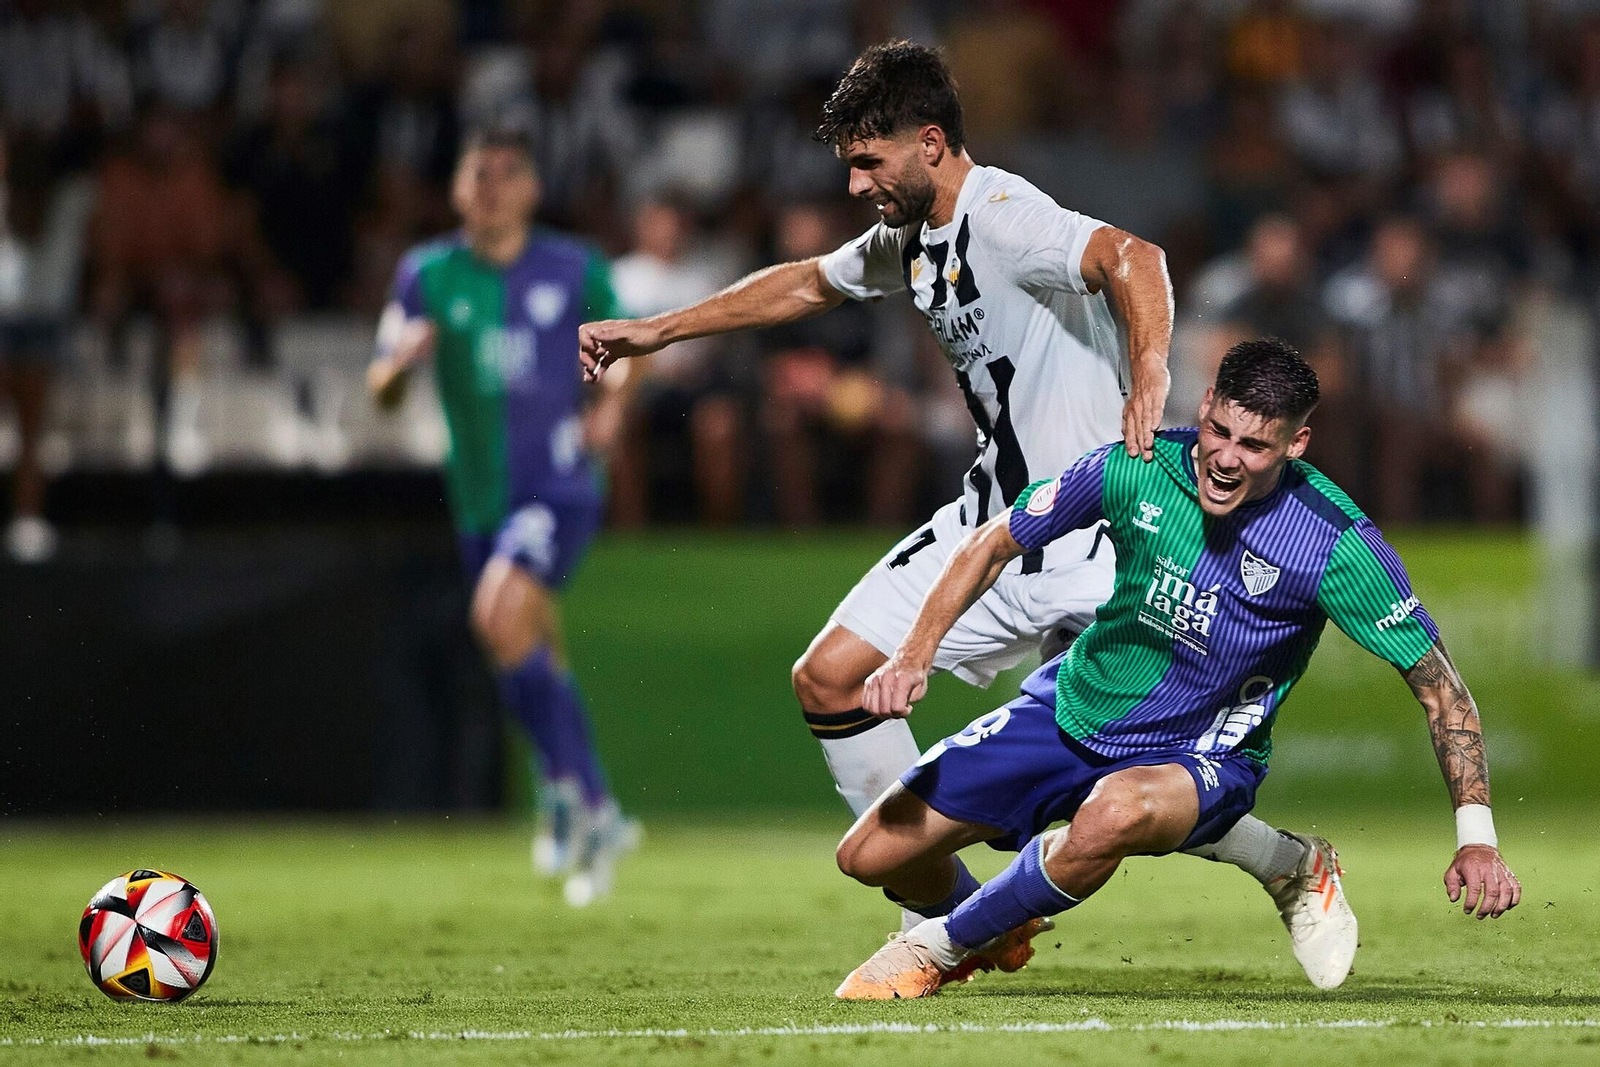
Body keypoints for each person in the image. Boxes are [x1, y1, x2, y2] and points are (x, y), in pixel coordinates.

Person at [580, 40, 1354, 985]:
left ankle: (1288, 864)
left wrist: (1151, 362)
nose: (859, 182)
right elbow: (806, 281)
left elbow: (1132, 255)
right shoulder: (912, 235)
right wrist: (654, 332)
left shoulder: (1002, 213)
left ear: (933, 143)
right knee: (827, 680)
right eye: (851, 165)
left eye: (871, 161)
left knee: (1120, 786)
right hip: (988, 522)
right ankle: (962, 914)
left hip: (1097, 538)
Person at [831, 338, 1520, 999]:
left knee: (1112, 814)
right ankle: (1008, 921)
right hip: (1074, 708)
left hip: (1203, 756)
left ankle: (939, 947)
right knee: (868, 856)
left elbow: (1442, 691)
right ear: (1207, 401)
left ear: (1296, 443)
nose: (1224, 458)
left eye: (1253, 445)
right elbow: (993, 541)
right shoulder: (1135, 465)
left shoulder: (1335, 544)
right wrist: (915, 653)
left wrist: (1478, 838)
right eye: (1219, 429)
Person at [367, 127, 637, 907]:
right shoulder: (426, 274)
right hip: (480, 497)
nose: (490, 186)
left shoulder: (574, 265)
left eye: (506, 173)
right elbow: (379, 384)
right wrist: (399, 366)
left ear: (530, 189)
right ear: (457, 189)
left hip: (559, 485)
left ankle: (580, 796)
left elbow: (627, 352)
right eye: (477, 173)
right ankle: (585, 797)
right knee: (524, 645)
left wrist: (611, 410)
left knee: (497, 611)